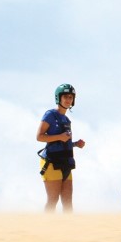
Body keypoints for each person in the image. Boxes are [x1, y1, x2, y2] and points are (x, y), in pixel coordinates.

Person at [36, 83, 86, 213]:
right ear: (59, 98)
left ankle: (68, 229)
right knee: (53, 200)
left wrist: (75, 144)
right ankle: (45, 228)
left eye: (71, 97)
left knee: (68, 202)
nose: (68, 100)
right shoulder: (50, 114)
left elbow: (64, 142)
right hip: (51, 162)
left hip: (66, 162)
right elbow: (39, 137)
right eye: (65, 97)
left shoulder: (66, 119)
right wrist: (59, 137)